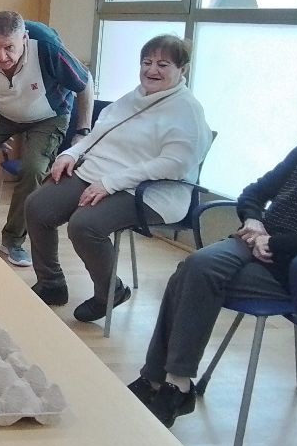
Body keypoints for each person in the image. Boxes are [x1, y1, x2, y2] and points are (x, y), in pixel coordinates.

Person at [128, 109, 297, 427]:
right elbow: (254, 192)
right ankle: (174, 384)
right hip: (257, 240)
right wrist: (254, 220)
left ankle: (161, 381)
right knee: (196, 266)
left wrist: (273, 243)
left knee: (191, 275)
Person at [25, 34, 212, 323]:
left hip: (149, 191)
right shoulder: (135, 96)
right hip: (98, 174)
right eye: (147, 62)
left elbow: (174, 165)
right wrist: (71, 154)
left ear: (182, 69)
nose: (152, 70)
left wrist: (111, 183)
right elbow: (98, 132)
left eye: (163, 64)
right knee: (38, 206)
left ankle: (110, 292)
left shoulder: (186, 110)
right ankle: (51, 283)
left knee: (84, 225)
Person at [0, 11, 94, 267]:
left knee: (33, 169)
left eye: (9, 47)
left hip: (48, 115)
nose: (0, 56)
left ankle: (13, 240)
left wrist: (83, 131)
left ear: (24, 39)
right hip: (0, 112)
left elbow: (85, 83)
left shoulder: (48, 47)